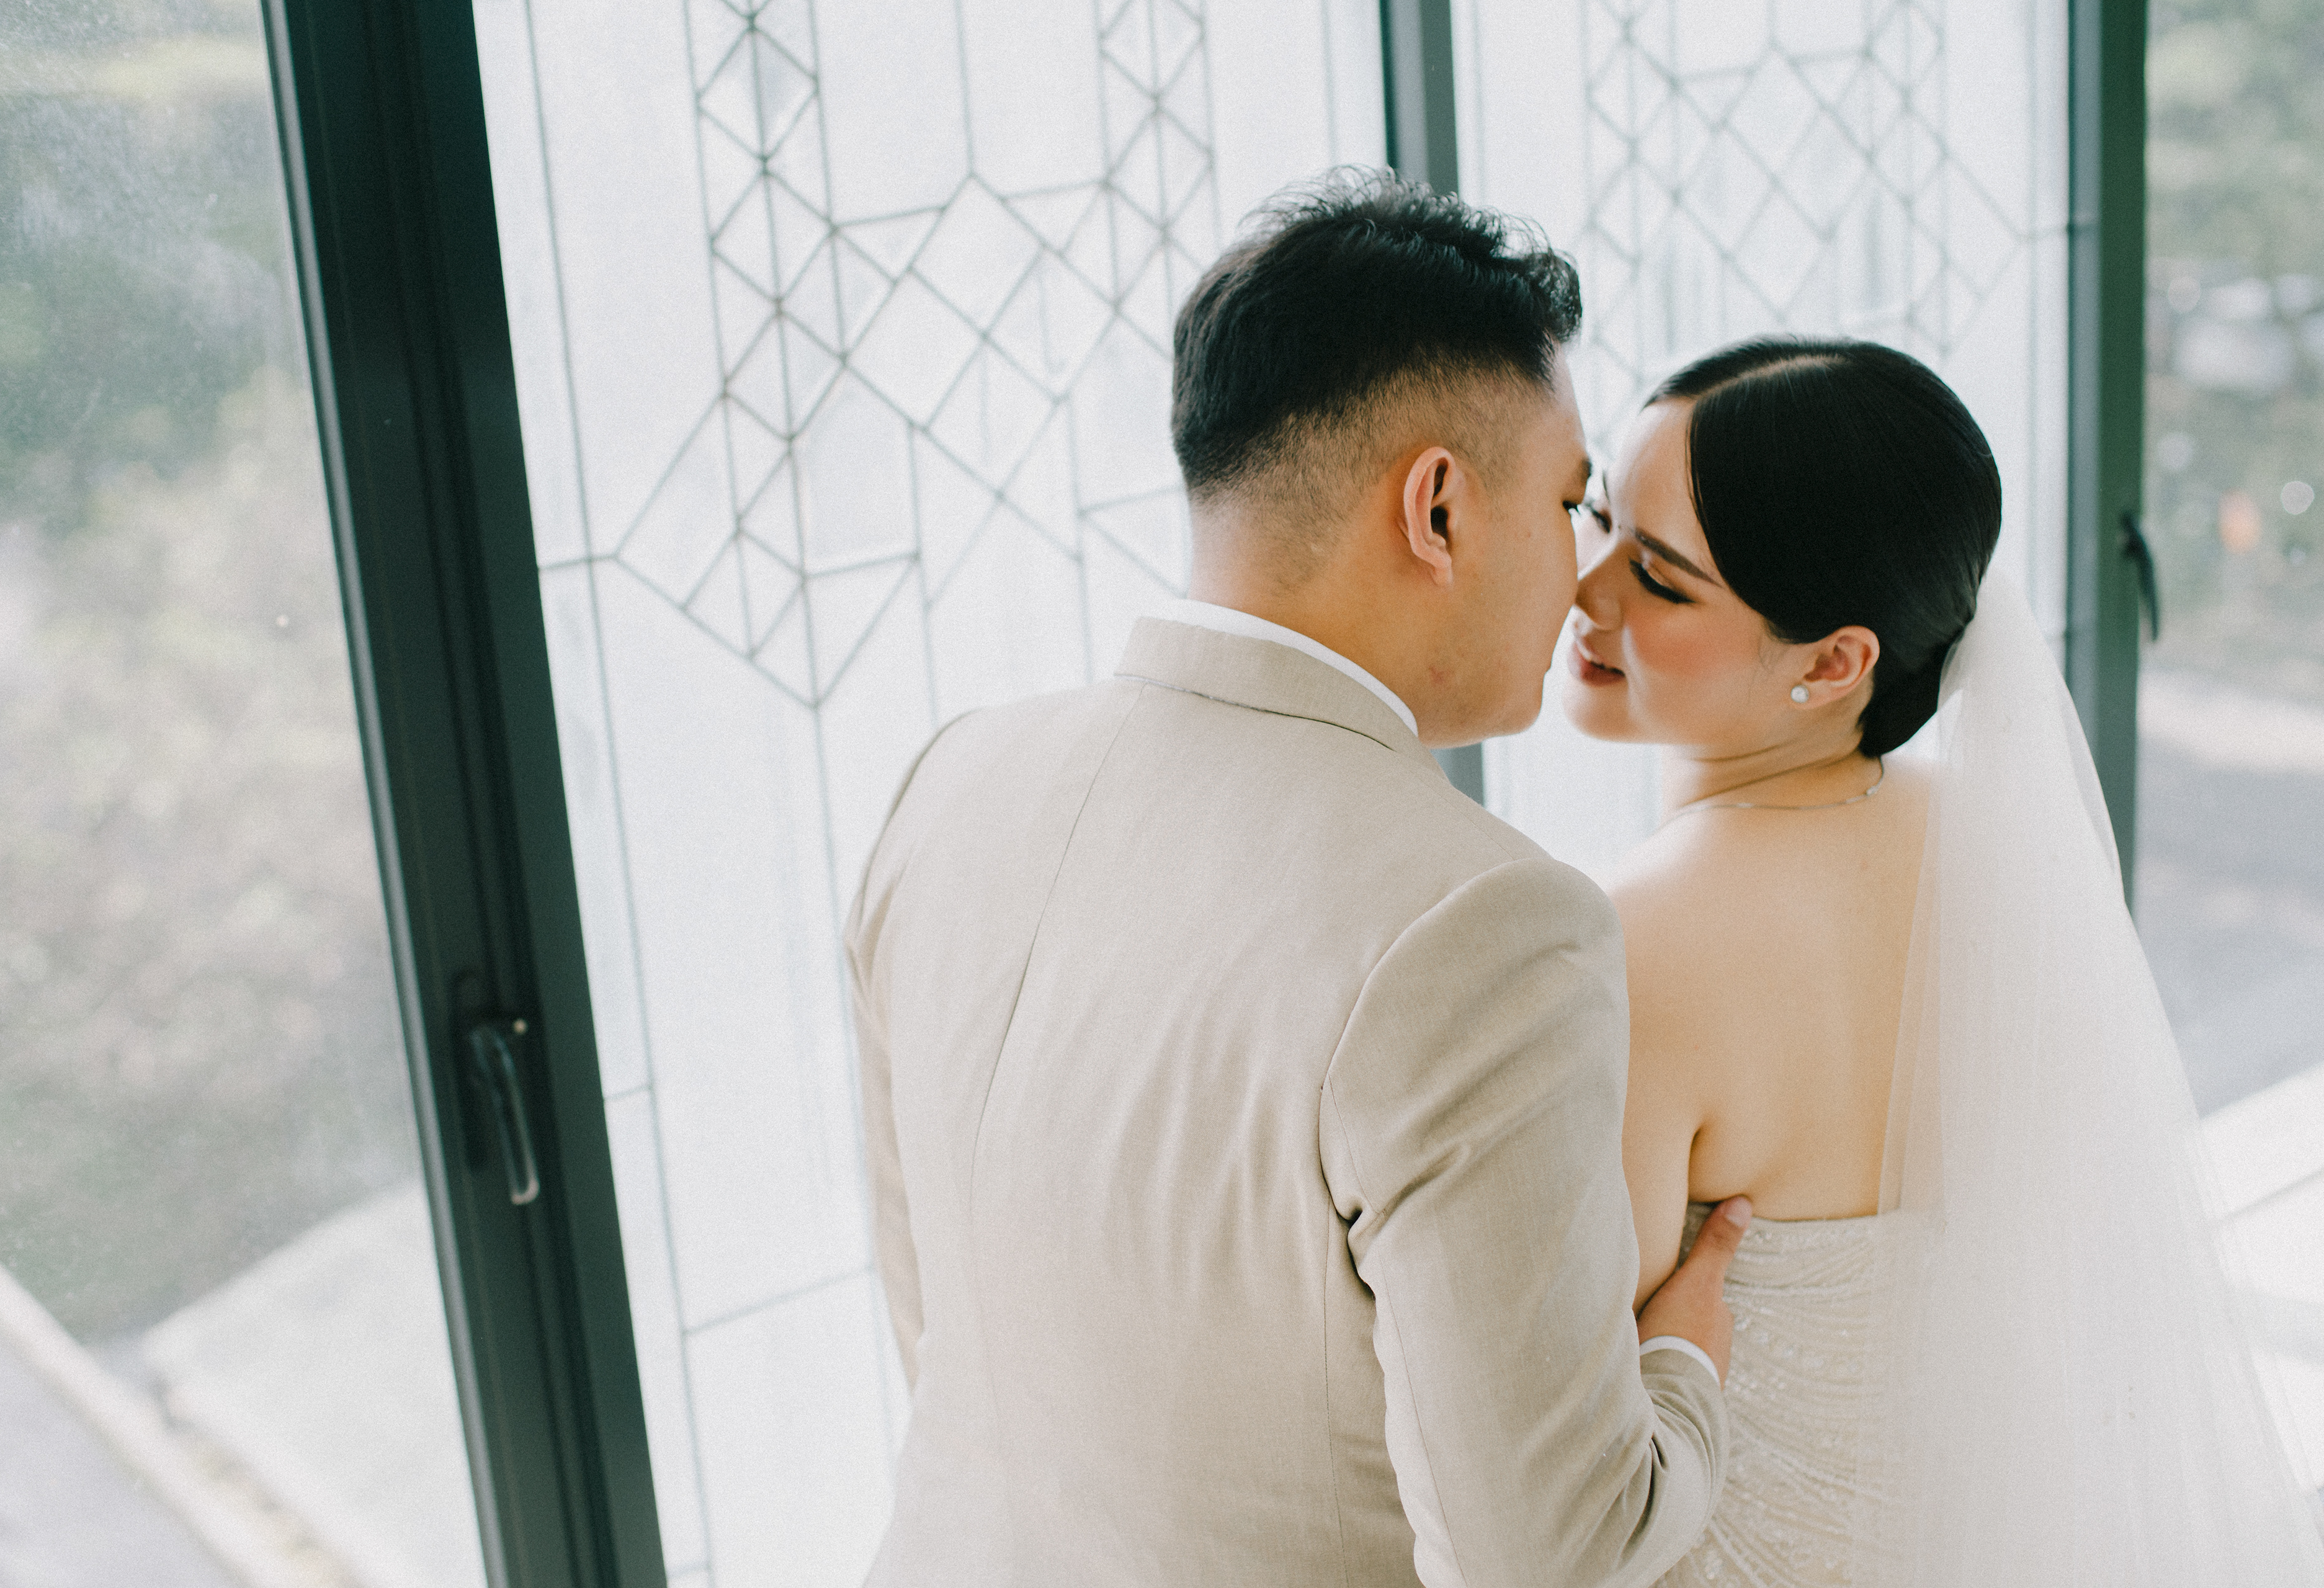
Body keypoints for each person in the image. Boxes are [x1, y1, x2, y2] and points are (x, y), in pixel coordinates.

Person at [846, 170, 1749, 1586]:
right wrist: (1682, 1364)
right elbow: (1552, 1558)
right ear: (1438, 508)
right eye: (1572, 502)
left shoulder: (947, 782)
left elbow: (940, 1330)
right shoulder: (1485, 924)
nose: (1586, 579)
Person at [1561, 336, 2324, 1586]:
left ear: (1833, 662)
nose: (1584, 588)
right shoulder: (2003, 859)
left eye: (1658, 577)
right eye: (1598, 517)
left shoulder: (1637, 936)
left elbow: (1573, 1432)